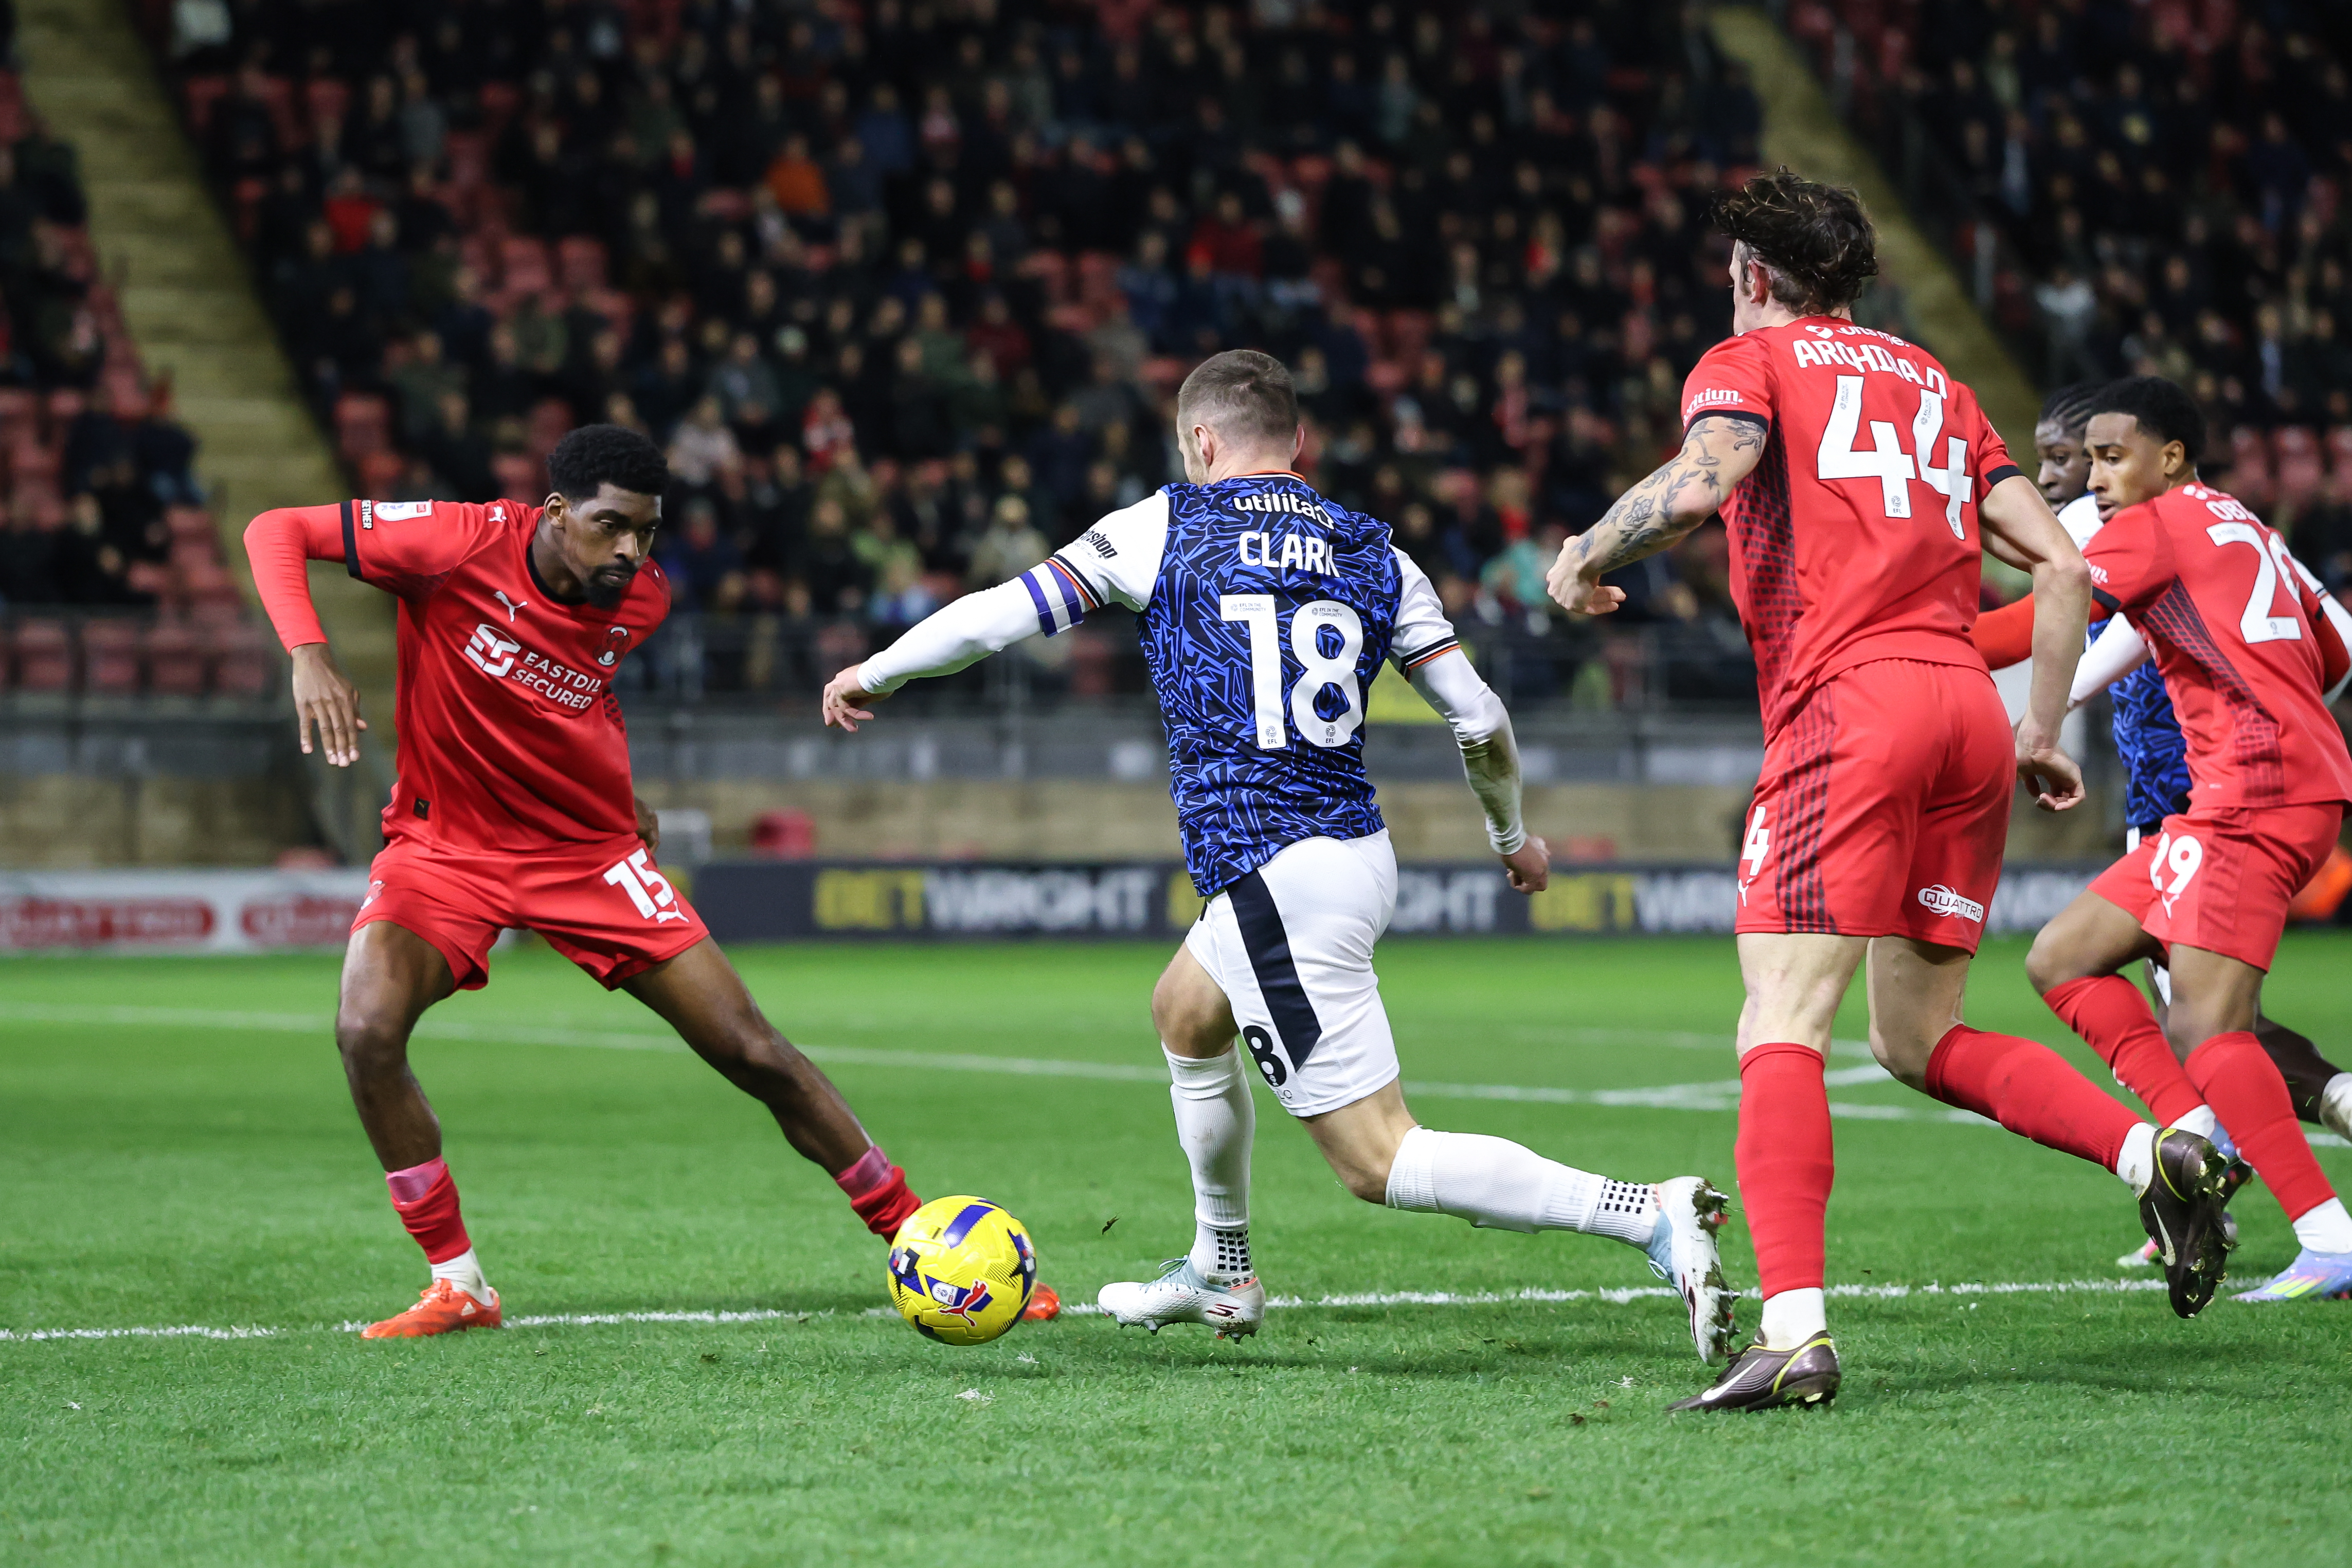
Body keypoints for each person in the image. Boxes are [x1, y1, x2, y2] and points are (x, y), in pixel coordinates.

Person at [821, 350, 1740, 1363]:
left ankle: (1644, 1212)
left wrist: (875, 670)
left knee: (1377, 1157)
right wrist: (1511, 837)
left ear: (1199, 440)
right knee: (1185, 1010)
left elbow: (1000, 613)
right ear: (1298, 442)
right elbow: (1479, 717)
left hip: (1271, 865)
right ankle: (1221, 1267)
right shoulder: (1376, 552)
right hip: (1347, 852)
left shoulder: (1164, 524)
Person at [1546, 170, 2229, 1413]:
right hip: (1964, 715)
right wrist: (2040, 729)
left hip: (1847, 709)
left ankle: (1794, 1331)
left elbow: (1698, 484)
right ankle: (2157, 1152)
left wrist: (1584, 554)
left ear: (1756, 274)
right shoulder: (1937, 383)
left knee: (1780, 1021)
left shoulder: (1749, 362)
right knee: (1915, 1039)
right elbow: (2064, 567)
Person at [241, 425, 1011, 1337]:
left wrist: (618, 799)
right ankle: (458, 1283)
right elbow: (273, 530)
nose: (630, 551)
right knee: (366, 1030)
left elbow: (573, 693)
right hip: (445, 849)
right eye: (610, 526)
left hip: (586, 857)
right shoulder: (457, 543)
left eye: (646, 531)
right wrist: (309, 652)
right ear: (554, 512)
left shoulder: (640, 599)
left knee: (752, 1050)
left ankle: (925, 1245)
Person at [1975, 384, 2352, 1270]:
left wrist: (1908, 635)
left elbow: (2039, 614)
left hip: (2253, 798)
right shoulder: (2242, 522)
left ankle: (2328, 1237)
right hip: (2244, 792)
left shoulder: (2152, 525)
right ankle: (2196, 1139)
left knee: (2205, 1029)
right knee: (2062, 958)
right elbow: (2333, 647)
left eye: (2111, 458)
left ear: (2171, 456)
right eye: (2089, 460)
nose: (2093, 478)